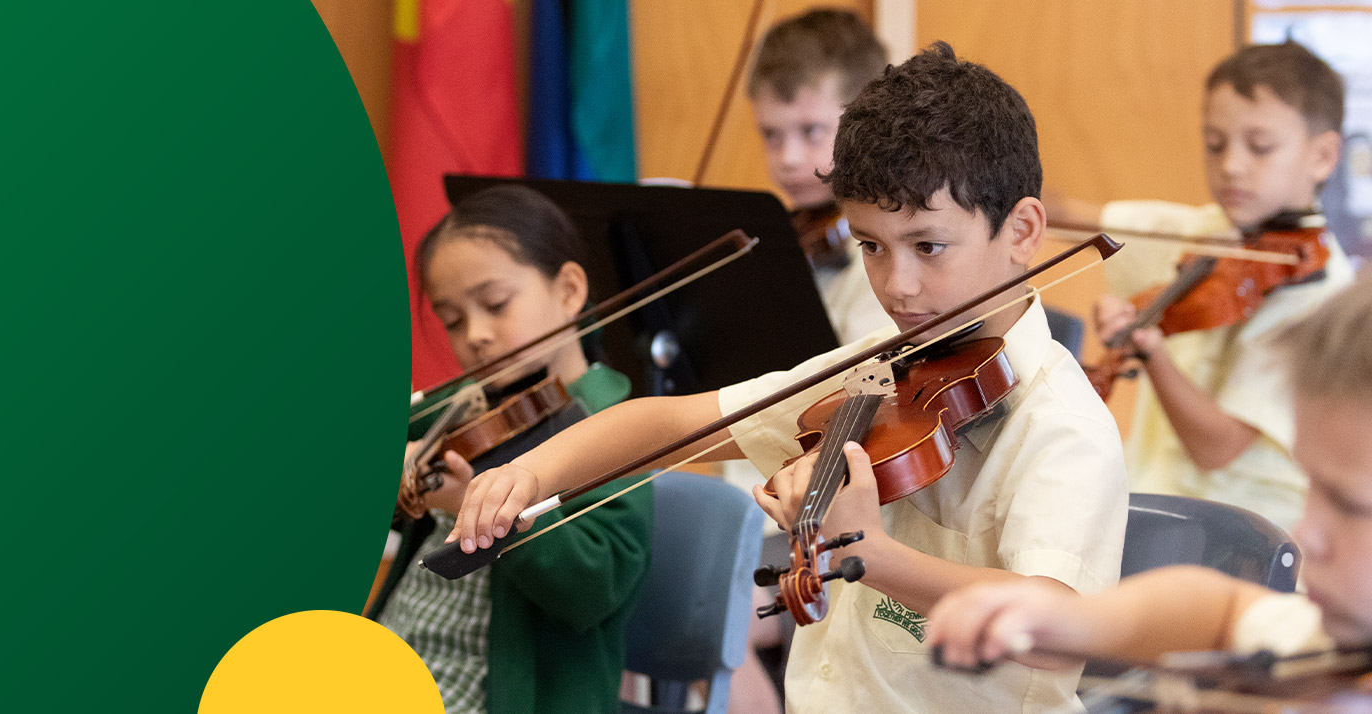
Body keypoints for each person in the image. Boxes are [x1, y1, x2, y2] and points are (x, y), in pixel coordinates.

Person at [447, 44, 1126, 713]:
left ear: (1023, 230)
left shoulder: (1061, 424)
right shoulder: (878, 371)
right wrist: (529, 475)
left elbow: (1055, 633)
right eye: (871, 247)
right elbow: (673, 424)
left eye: (928, 245)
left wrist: (872, 554)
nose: (898, 285)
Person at [928, 276, 1372, 685]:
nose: (1305, 534)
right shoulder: (1333, 639)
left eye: (1349, 505)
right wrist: (1072, 620)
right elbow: (1222, 611)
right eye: (1312, 487)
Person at [368, 184, 651, 714]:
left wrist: (471, 507)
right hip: (394, 655)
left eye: (495, 305)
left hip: (488, 693)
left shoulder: (613, 427)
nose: (474, 336)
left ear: (568, 290)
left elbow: (596, 586)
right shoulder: (467, 407)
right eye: (452, 320)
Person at [1083, 41, 1355, 532]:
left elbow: (1216, 448)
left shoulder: (1318, 293)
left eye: (1260, 146)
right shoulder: (1211, 233)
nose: (1231, 165)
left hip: (1242, 536)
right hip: (1152, 500)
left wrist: (1151, 351)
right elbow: (1087, 221)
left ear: (1322, 156)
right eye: (1214, 143)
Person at [748, 8, 895, 345]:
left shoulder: (888, 254)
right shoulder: (795, 236)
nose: (789, 158)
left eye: (811, 131)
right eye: (771, 135)